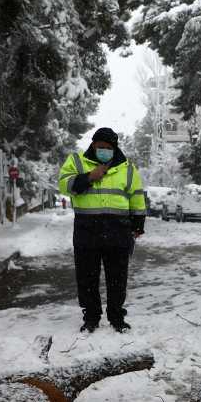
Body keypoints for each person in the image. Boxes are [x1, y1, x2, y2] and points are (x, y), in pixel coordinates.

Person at [58, 127, 146, 333]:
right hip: (86, 229)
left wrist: (138, 223)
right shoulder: (77, 161)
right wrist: (89, 176)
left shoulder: (127, 167)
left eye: (108, 148)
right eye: (100, 147)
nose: (104, 150)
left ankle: (116, 317)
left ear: (114, 148)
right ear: (93, 145)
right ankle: (91, 317)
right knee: (87, 276)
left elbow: (136, 196)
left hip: (118, 229)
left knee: (117, 277)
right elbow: (63, 185)